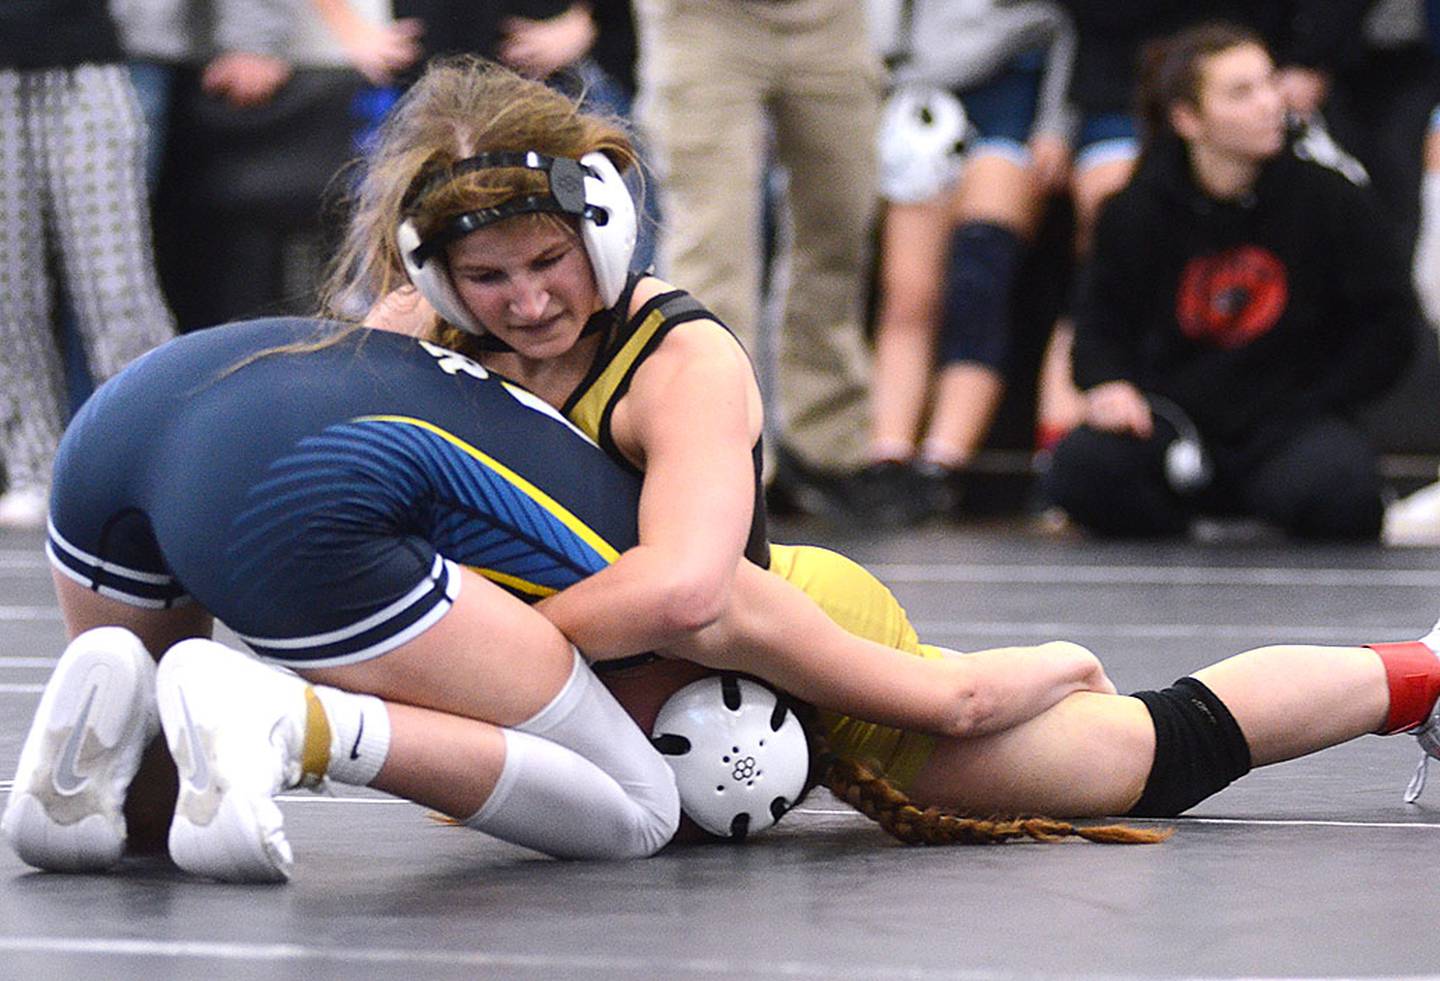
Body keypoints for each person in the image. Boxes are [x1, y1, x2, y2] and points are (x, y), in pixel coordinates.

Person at [346, 57, 1440, 840]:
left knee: (1145, 756)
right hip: (632, 695)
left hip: (782, 637)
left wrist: (463, 646)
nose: (530, 302)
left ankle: (1424, 675)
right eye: (488, 279)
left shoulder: (674, 358)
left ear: (604, 224)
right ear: (430, 276)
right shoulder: (415, 350)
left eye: (549, 259)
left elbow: (688, 591)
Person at [1040, 22, 1418, 540]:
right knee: (1083, 470)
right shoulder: (1136, 210)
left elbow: (1391, 325)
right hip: (1178, 429)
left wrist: (1318, 402)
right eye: (1242, 93)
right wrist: (1111, 386)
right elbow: (1099, 323)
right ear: (1188, 119)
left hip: (1290, 426)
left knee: (1338, 490)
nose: (1270, 104)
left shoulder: (1330, 199)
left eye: (1269, 84)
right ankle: (1185, 537)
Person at [632, 0, 881, 520]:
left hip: (828, 15)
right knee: (713, 245)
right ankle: (721, 449)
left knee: (842, 226)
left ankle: (828, 449)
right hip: (702, 18)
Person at [862, 0, 1077, 526]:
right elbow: (880, 35)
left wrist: (1056, 126)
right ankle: (889, 456)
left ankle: (943, 462)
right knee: (909, 292)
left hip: (1014, 98)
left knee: (979, 284)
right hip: (924, 103)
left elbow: (1070, 30)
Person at [0, 0, 176, 529]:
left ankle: (155, 461)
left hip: (86, 61)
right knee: (8, 288)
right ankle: (34, 467)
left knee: (117, 285)